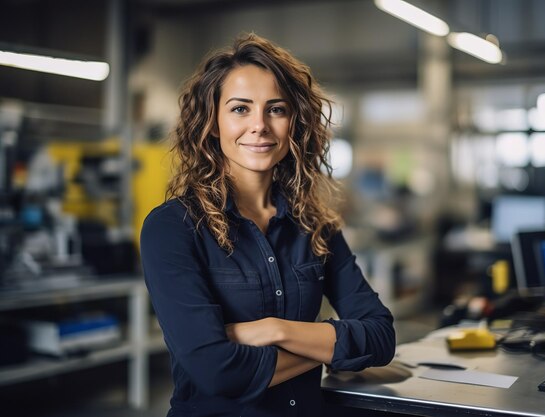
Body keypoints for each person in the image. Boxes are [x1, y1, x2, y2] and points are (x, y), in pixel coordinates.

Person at [140, 32, 395, 417]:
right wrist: (330, 349)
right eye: (240, 109)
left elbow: (381, 335)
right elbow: (216, 371)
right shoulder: (173, 227)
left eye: (276, 109)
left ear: (294, 122)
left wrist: (275, 329)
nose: (259, 125)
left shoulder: (315, 225)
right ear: (212, 121)